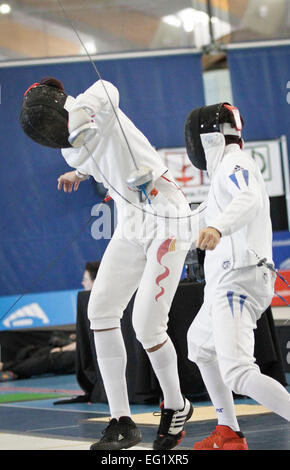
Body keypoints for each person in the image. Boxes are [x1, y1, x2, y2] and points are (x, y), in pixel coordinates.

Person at [20, 77, 194, 450]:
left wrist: (82, 112)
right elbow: (97, 158)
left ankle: (177, 405)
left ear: (56, 106)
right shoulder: (69, 150)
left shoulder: (92, 100)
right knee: (100, 311)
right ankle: (121, 421)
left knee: (147, 327)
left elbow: (108, 87)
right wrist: (80, 173)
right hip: (130, 221)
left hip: (166, 215)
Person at [184, 102, 290, 450]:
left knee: (239, 372)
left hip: (238, 278)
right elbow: (196, 219)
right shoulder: (220, 176)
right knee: (200, 346)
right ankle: (228, 431)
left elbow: (249, 197)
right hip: (225, 282)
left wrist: (218, 226)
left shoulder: (234, 162)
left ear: (210, 138)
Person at [0, 332, 76, 381]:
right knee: (44, 351)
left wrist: (62, 349)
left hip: (84, 357)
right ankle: (17, 370)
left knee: (52, 359)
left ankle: (5, 367)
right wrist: (63, 348)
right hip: (79, 349)